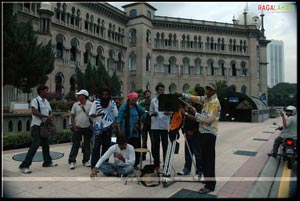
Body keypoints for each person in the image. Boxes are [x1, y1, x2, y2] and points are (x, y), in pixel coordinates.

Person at [177, 83, 221, 194]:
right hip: (203, 133)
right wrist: (182, 94)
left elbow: (207, 119)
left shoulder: (214, 103)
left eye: (210, 89)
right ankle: (208, 181)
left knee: (209, 160)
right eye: (207, 88)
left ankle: (210, 185)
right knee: (204, 158)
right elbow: (195, 98)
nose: (207, 91)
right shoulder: (206, 99)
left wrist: (188, 114)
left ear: (214, 91)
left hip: (209, 134)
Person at [19, 85, 57, 174]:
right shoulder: (35, 100)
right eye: (46, 91)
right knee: (35, 145)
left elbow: (49, 111)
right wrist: (46, 116)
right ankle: (24, 165)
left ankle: (47, 162)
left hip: (44, 126)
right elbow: (34, 112)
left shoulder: (46, 101)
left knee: (46, 144)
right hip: (36, 126)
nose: (47, 92)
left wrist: (50, 117)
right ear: (41, 91)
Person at [177, 86, 204, 179]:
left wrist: (192, 130)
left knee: (197, 153)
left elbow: (198, 120)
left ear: (197, 94)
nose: (193, 94)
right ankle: (187, 168)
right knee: (188, 152)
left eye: (194, 93)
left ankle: (199, 172)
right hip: (187, 132)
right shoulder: (192, 104)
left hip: (195, 133)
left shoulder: (200, 106)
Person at [89, 88, 118, 169]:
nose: (105, 96)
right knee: (96, 147)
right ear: (101, 95)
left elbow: (116, 115)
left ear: (109, 95)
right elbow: (91, 114)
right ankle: (94, 165)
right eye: (103, 95)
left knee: (106, 147)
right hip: (98, 128)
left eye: (106, 95)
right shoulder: (96, 103)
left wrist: (114, 125)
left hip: (108, 128)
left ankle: (104, 165)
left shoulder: (112, 103)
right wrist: (98, 115)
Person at [117, 92, 146, 170]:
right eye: (133, 100)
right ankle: (125, 163)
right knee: (126, 147)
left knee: (135, 148)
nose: (134, 101)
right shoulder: (124, 107)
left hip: (135, 131)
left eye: (135, 100)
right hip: (125, 130)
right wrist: (119, 130)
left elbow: (144, 113)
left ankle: (135, 163)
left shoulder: (137, 107)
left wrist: (139, 121)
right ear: (129, 99)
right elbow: (119, 119)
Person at [68, 89, 93, 169]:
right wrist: (73, 125)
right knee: (75, 144)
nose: (78, 96)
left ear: (84, 96)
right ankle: (72, 161)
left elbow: (92, 116)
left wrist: (92, 124)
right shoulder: (76, 105)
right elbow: (72, 115)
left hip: (87, 127)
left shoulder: (91, 104)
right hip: (78, 127)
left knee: (87, 144)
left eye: (80, 95)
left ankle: (86, 160)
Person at [149, 83, 172, 172]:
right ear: (157, 91)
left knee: (165, 145)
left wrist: (169, 112)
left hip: (164, 126)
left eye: (163, 90)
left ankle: (166, 164)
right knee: (155, 146)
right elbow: (150, 112)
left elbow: (172, 111)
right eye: (160, 90)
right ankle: (156, 164)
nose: (162, 91)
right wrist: (152, 113)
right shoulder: (153, 101)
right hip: (155, 126)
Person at [139, 90, 152, 160]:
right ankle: (143, 155)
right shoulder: (141, 103)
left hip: (152, 124)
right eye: (147, 94)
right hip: (144, 124)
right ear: (144, 95)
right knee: (144, 141)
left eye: (149, 94)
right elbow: (139, 112)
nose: (148, 95)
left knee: (153, 141)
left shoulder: (152, 103)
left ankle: (154, 155)